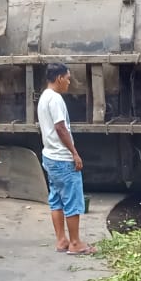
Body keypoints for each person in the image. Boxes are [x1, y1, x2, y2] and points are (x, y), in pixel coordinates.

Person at [37, 63, 96, 255]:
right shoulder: (55, 99)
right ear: (59, 78)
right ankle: (76, 243)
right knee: (72, 200)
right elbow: (60, 128)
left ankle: (61, 240)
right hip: (62, 158)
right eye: (68, 78)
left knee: (56, 199)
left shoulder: (44, 97)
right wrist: (74, 153)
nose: (69, 82)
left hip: (49, 156)